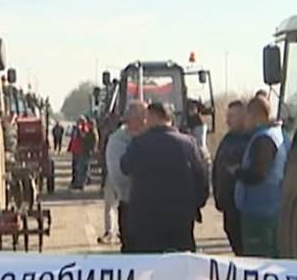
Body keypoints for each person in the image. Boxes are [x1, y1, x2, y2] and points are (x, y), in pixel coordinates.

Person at [120, 101, 210, 253]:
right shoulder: (189, 144)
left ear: (152, 117)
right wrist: (194, 206)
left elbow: (125, 167)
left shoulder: (139, 143)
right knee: (180, 266)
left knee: (148, 267)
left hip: (145, 218)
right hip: (180, 219)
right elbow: (201, 180)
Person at [233, 95, 287, 257]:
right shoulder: (278, 134)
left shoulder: (264, 138)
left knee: (259, 259)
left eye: (247, 117)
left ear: (256, 117)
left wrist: (236, 171)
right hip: (271, 209)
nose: (245, 122)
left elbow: (259, 174)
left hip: (260, 213)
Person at [102, 101, 146, 247]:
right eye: (143, 118)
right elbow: (119, 175)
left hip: (157, 209)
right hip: (131, 206)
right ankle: (109, 231)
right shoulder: (117, 141)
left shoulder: (154, 138)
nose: (146, 122)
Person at [212, 100, 251, 256]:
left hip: (243, 207)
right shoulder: (228, 139)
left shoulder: (252, 140)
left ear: (244, 116)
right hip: (228, 205)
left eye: (232, 116)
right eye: (227, 116)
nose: (228, 120)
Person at [81, 118, 99, 186]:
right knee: (86, 166)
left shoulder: (93, 132)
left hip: (88, 151)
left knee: (86, 166)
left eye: (89, 124)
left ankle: (86, 180)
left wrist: (92, 150)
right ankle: (87, 179)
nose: (88, 125)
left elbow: (94, 142)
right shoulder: (91, 132)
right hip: (87, 150)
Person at [68, 120, 86, 189]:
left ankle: (79, 184)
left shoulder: (84, 128)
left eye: (80, 122)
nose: (78, 124)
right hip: (75, 150)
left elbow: (84, 137)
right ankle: (74, 181)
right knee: (74, 167)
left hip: (80, 151)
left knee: (79, 168)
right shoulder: (75, 130)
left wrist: (80, 130)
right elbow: (73, 139)